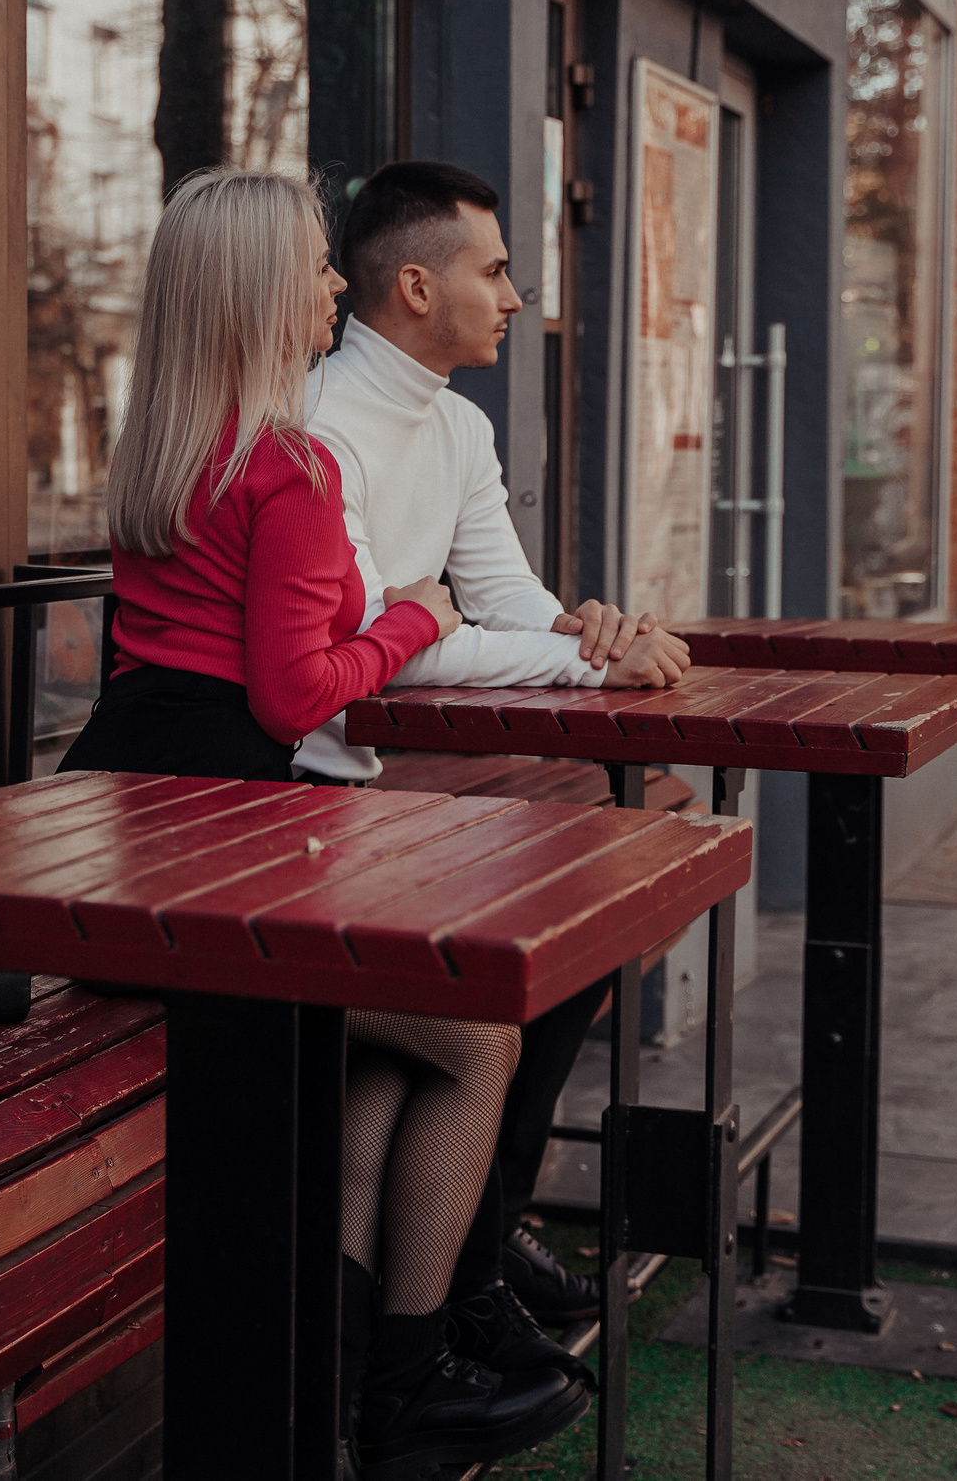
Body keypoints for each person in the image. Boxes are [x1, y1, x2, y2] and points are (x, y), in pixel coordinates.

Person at [57, 169, 588, 1481]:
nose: (331, 285)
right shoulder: (288, 464)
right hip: (222, 847)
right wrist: (415, 620)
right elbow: (295, 689)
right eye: (311, 266)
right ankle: (410, 1380)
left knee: (385, 1052)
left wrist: (440, 620)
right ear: (257, 294)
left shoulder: (167, 452)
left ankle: (347, 1378)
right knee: (466, 1036)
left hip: (127, 823)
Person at [297, 160, 692, 1356]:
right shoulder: (317, 430)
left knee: (613, 880)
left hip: (379, 793)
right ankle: (463, 1268)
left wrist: (594, 629)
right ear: (415, 286)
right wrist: (585, 668)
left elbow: (499, 604)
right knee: (542, 929)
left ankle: (478, 1233)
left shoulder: (455, 423)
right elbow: (384, 655)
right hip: (300, 803)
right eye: (497, 269)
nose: (517, 295)